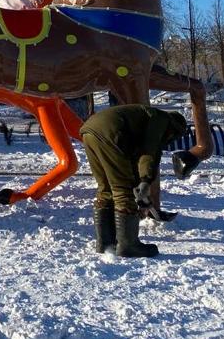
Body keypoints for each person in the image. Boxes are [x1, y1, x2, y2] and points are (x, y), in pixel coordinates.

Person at [79, 105, 187, 258]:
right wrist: (145, 180)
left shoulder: (142, 118)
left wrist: (141, 185)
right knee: (122, 190)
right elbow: (149, 151)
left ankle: (105, 242)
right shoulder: (162, 120)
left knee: (106, 188)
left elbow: (132, 159)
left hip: (89, 130)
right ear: (174, 129)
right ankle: (128, 245)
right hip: (110, 131)